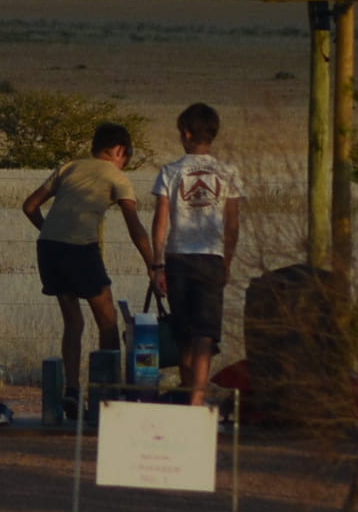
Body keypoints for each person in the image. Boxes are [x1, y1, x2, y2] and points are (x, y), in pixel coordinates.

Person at [21, 122, 160, 412]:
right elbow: (135, 226)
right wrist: (153, 265)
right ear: (120, 151)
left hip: (49, 249)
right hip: (81, 251)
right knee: (107, 321)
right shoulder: (117, 176)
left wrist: (49, 231)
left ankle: (72, 390)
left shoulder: (69, 167)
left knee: (73, 322)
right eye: (127, 156)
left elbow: (30, 206)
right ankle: (109, 393)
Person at [147, 103, 241, 404]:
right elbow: (232, 225)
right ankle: (197, 400)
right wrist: (226, 261)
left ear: (186, 133)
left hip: (178, 259)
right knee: (205, 335)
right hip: (212, 258)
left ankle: (189, 395)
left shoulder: (170, 171)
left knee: (184, 335)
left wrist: (157, 264)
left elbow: (160, 222)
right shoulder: (228, 172)